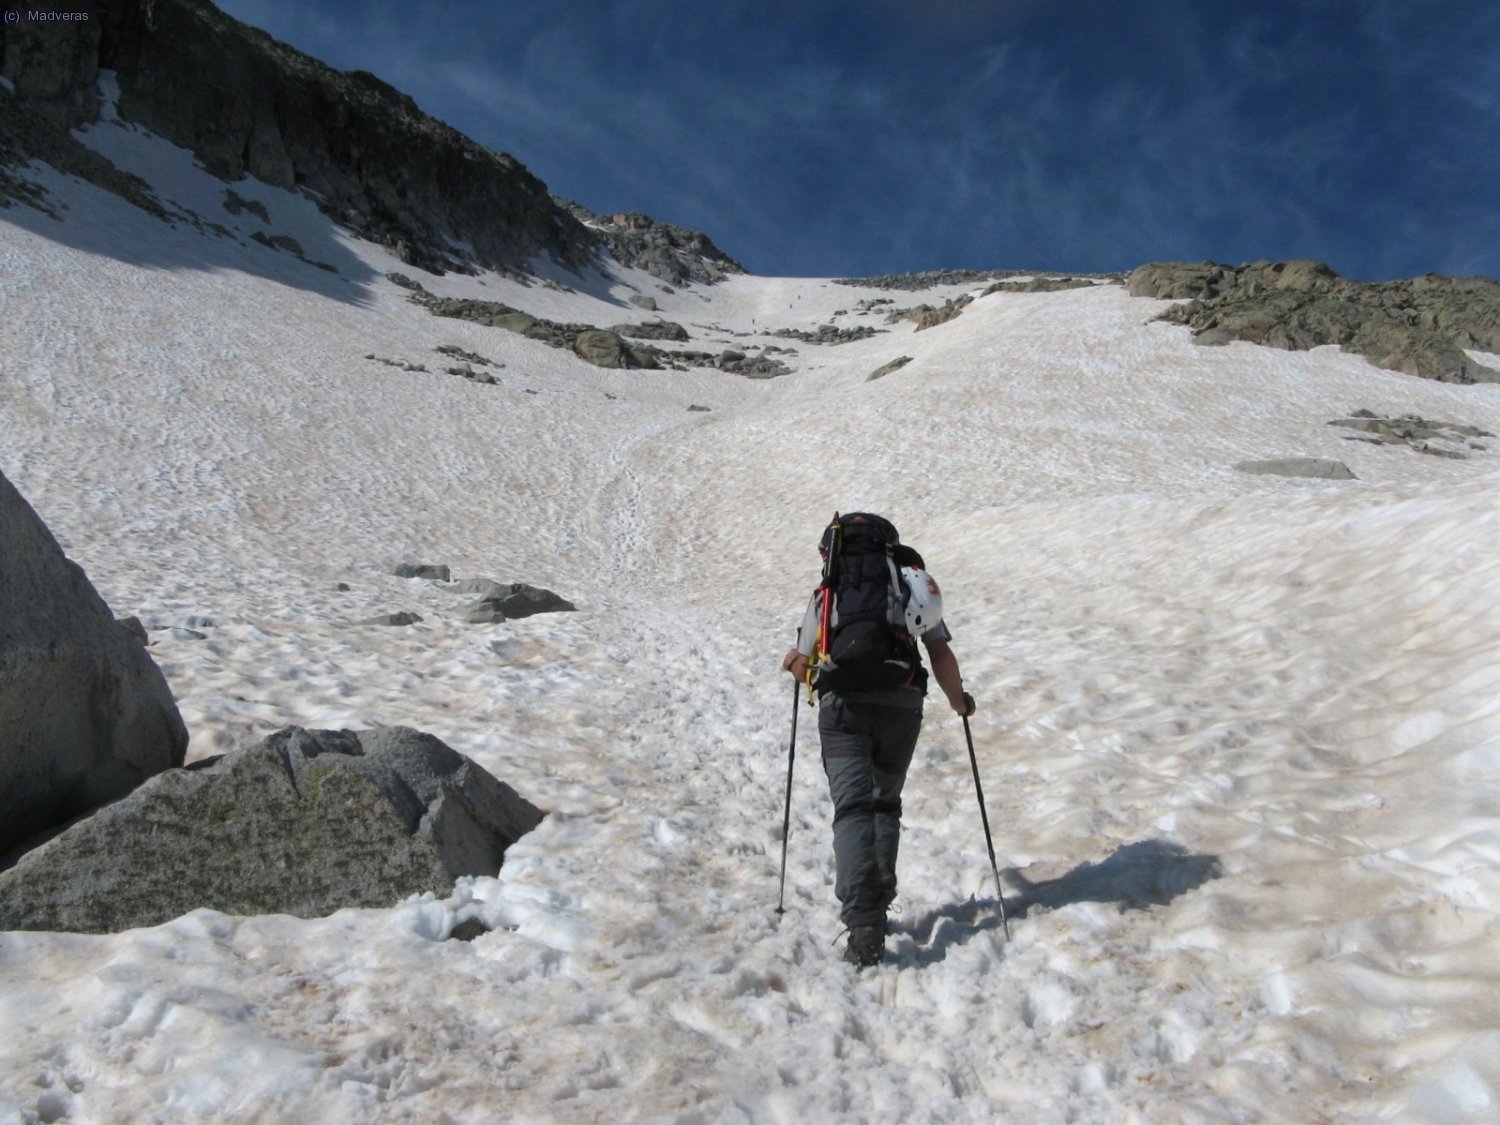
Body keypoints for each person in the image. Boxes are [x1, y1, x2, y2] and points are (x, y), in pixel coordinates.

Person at [780, 513, 974, 967]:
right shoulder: (907, 585)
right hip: (900, 705)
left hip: (844, 707)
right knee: (884, 802)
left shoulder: (827, 595)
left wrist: (792, 661)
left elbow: (806, 663)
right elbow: (939, 650)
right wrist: (959, 702)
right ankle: (879, 904)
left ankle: (862, 920)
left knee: (852, 809)